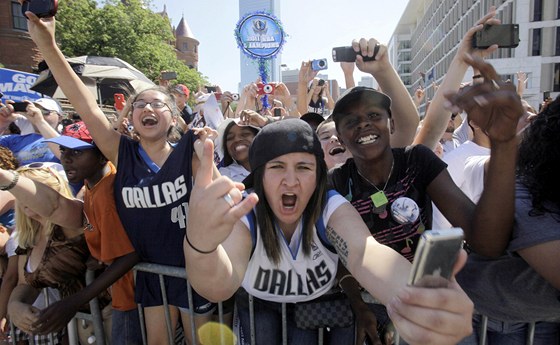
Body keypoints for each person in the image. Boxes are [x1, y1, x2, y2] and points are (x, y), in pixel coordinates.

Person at [184, 118, 474, 345]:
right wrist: (200, 244)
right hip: (259, 309)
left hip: (314, 309)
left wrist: (416, 296)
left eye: (303, 167)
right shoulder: (248, 211)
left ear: (319, 175)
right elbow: (218, 286)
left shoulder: (328, 206)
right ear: (259, 177)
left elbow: (365, 252)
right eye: (277, 167)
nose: (291, 181)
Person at [23, 9, 218, 345]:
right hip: (148, 275)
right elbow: (85, 104)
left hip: (192, 272)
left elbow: (214, 201)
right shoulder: (122, 153)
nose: (147, 109)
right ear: (131, 117)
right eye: (139, 104)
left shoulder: (192, 153)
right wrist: (48, 44)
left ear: (173, 118)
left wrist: (205, 152)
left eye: (157, 104)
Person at [454, 96, 560, 345]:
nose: (530, 118)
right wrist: (534, 133)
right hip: (481, 317)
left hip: (542, 321)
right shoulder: (516, 188)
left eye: (532, 114)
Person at [2, 164, 110, 344]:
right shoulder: (30, 236)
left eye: (30, 190)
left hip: (113, 314)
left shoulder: (71, 222)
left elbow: (58, 206)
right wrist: (15, 305)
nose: (24, 198)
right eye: (19, 192)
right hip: (81, 326)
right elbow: (25, 282)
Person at [0, 99, 62, 166]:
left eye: (44, 111)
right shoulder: (13, 140)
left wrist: (40, 121)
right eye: (34, 110)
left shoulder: (66, 140)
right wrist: (2, 122)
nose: (39, 114)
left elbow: (64, 154)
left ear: (60, 117)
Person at [216, 118, 259, 183]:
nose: (236, 139)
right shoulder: (223, 175)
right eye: (230, 138)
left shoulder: (273, 167)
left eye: (245, 134)